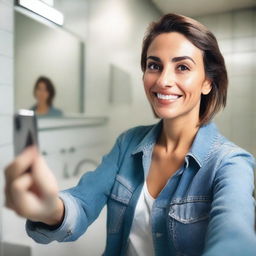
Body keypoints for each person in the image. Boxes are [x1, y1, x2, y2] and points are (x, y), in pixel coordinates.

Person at [5, 13, 256, 256]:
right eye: (154, 65)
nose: (163, 80)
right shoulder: (128, 144)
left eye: (182, 67)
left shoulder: (230, 163)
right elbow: (81, 203)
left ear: (207, 82)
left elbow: (235, 234)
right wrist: (49, 208)